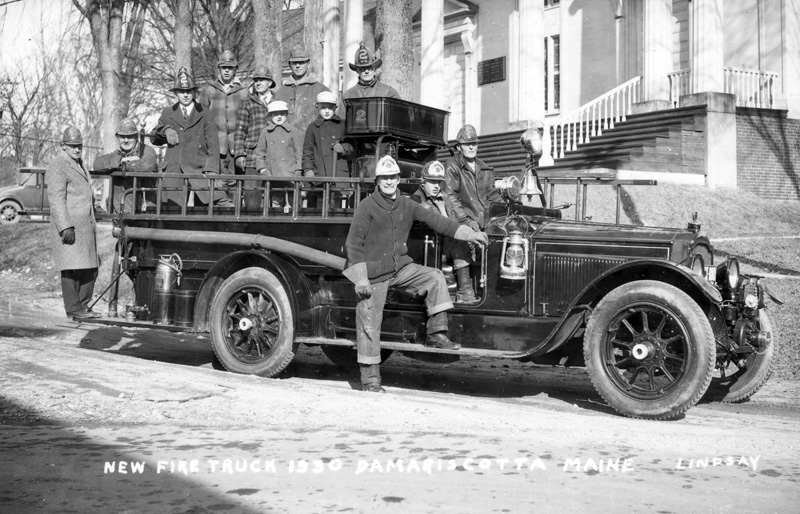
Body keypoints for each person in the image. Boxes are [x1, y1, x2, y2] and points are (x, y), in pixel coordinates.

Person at [344, 155, 489, 392]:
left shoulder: (407, 204)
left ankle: (437, 335)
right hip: (373, 276)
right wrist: (360, 278)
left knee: (434, 277)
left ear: (398, 179)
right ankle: (370, 381)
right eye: (384, 178)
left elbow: (439, 222)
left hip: (401, 269)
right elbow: (353, 245)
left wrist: (468, 233)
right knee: (369, 325)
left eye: (393, 177)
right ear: (377, 181)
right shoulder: (366, 207)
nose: (389, 182)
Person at [152, 67, 232, 208]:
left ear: (194, 92)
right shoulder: (168, 112)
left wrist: (212, 170)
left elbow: (213, 145)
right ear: (176, 93)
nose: (186, 95)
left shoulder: (205, 113)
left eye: (189, 91)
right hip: (174, 170)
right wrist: (166, 129)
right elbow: (154, 138)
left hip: (199, 170)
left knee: (212, 208)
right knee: (171, 212)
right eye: (182, 91)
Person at [46, 126, 100, 321]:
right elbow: (56, 198)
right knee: (71, 268)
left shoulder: (79, 163)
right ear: (63, 146)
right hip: (70, 226)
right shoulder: (58, 165)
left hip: (85, 226)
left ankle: (83, 306)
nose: (77, 149)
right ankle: (74, 309)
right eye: (72, 146)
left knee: (90, 267)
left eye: (79, 146)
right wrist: (65, 226)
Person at [411, 160, 478, 303]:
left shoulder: (444, 197)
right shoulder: (417, 199)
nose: (436, 186)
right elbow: (437, 223)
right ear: (423, 182)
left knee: (464, 241)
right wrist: (442, 210)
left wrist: (470, 224)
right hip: (429, 249)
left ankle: (466, 292)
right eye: (432, 182)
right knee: (459, 243)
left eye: (439, 182)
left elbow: (458, 217)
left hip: (444, 247)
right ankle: (465, 292)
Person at [92, 118, 158, 213]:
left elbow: (146, 165)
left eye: (130, 137)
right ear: (118, 138)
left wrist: (121, 166)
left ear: (136, 137)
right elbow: (97, 164)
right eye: (122, 137)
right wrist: (122, 161)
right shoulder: (117, 155)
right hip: (121, 210)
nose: (126, 140)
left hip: (145, 209)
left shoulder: (147, 151)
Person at [199, 50, 249, 176]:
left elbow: (248, 120)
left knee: (235, 183)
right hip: (215, 146)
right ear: (219, 69)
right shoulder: (209, 90)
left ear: (235, 70)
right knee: (216, 183)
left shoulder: (243, 92)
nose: (227, 71)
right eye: (224, 68)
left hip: (237, 147)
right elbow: (201, 119)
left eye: (230, 68)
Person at [233, 66, 277, 210]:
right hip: (252, 156)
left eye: (262, 80)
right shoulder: (247, 103)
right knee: (251, 196)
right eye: (256, 80)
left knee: (276, 198)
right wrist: (239, 153)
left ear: (269, 83)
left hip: (275, 156)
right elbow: (240, 131)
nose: (258, 83)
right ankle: (251, 228)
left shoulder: (279, 102)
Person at [274, 46, 331, 149]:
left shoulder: (321, 90)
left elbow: (331, 123)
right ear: (289, 65)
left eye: (301, 62)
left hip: (314, 146)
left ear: (308, 64)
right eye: (294, 63)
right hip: (287, 147)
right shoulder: (280, 93)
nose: (297, 66)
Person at [302, 91, 353, 206]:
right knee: (318, 207)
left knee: (340, 207)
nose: (326, 111)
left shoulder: (343, 125)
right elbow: (307, 151)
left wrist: (343, 148)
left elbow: (352, 147)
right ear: (317, 107)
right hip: (319, 173)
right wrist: (308, 169)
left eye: (330, 108)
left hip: (338, 172)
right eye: (323, 107)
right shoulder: (313, 127)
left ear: (335, 108)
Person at [253, 101, 303, 211]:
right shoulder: (265, 132)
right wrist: (263, 169)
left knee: (293, 202)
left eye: (282, 114)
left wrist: (298, 169)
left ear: (287, 115)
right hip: (272, 174)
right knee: (275, 201)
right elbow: (260, 153)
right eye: (275, 114)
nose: (279, 117)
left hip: (290, 174)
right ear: (270, 116)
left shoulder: (293, 131)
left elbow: (299, 153)